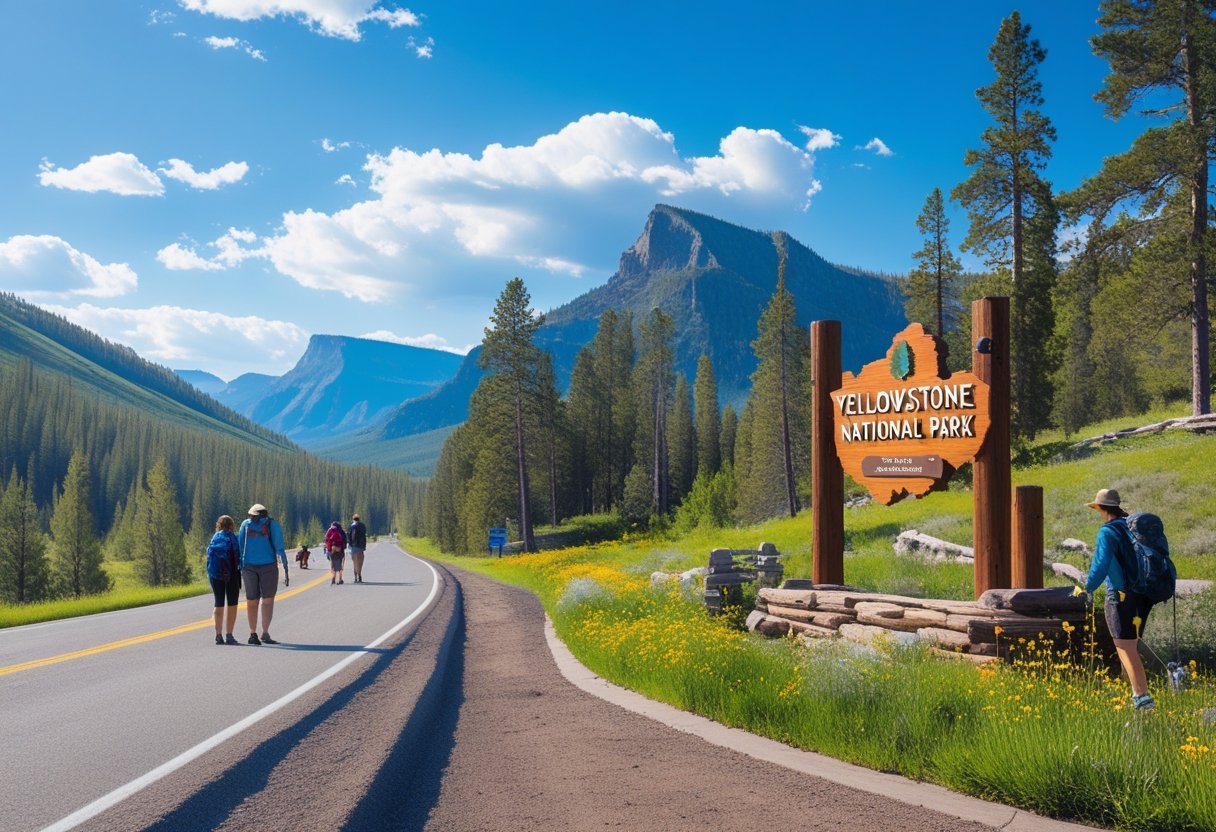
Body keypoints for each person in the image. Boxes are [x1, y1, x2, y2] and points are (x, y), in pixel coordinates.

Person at [1082, 488, 1156, 710]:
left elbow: (1100, 565)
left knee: (1124, 647)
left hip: (1120, 594)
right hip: (1141, 594)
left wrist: (1087, 587)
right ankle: (1136, 693)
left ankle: (1142, 699)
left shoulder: (1107, 531)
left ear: (1102, 509)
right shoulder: (1130, 528)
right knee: (1130, 645)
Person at [239, 503, 289, 645]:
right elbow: (279, 546)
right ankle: (265, 632)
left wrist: (240, 565)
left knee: (251, 601)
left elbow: (240, 545)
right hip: (268, 565)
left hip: (248, 567)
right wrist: (285, 566)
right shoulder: (272, 524)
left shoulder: (245, 524)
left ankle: (252, 633)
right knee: (267, 601)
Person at [205, 515, 242, 645]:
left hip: (216, 575)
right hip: (231, 573)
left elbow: (208, 558)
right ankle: (229, 635)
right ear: (232, 525)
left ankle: (218, 635)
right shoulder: (234, 537)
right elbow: (239, 557)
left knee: (218, 603)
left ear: (219, 525)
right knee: (232, 604)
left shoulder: (215, 538)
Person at [348, 513, 368, 583]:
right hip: (361, 546)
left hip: (354, 546)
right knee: (360, 562)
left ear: (353, 519)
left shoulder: (351, 526)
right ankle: (359, 575)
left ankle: (356, 577)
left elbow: (349, 536)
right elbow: (364, 535)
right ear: (359, 519)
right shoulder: (362, 525)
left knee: (354, 562)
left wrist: (350, 544)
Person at [325, 520, 347, 585]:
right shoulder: (341, 532)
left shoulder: (330, 530)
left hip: (331, 550)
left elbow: (326, 539)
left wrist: (327, 548)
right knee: (341, 563)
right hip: (340, 550)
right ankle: (340, 579)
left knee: (332, 563)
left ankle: (333, 578)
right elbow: (345, 542)